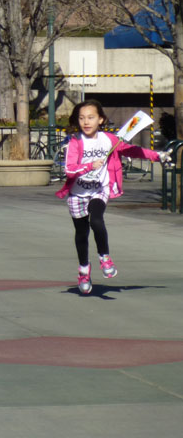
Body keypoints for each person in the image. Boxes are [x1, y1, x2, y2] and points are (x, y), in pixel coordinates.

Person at [55, 100, 169, 295]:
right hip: (77, 193)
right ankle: (84, 271)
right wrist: (90, 165)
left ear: (100, 119)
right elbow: (69, 169)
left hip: (100, 189)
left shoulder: (109, 139)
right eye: (82, 118)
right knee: (81, 234)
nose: (86, 122)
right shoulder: (75, 141)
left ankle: (105, 258)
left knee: (97, 220)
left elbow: (130, 150)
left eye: (91, 117)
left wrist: (157, 156)